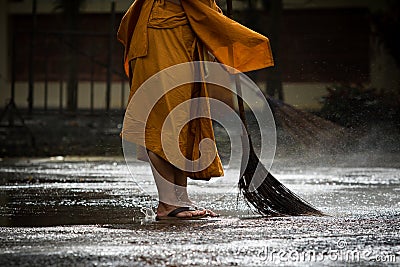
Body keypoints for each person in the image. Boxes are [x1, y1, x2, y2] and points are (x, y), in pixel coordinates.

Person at [118, 0, 274, 220]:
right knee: (163, 119)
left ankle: (180, 199)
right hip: (162, 32)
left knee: (183, 119)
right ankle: (167, 203)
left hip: (184, 29)